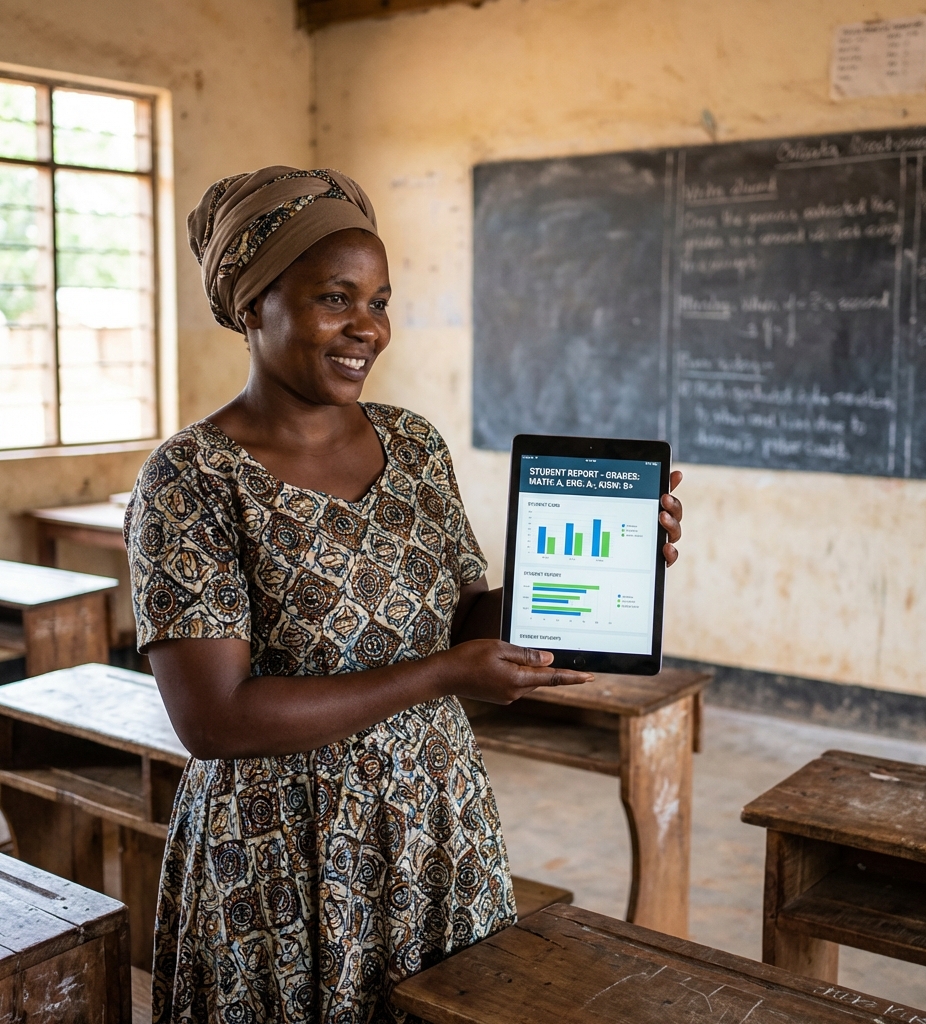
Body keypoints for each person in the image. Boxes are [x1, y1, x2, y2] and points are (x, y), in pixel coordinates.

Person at [126, 166, 684, 1024]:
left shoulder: (412, 444)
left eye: (380, 300)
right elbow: (214, 721)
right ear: (251, 307)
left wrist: (608, 565)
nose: (367, 328)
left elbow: (464, 622)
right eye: (334, 298)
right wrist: (442, 677)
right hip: (281, 852)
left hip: (434, 823)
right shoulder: (191, 476)